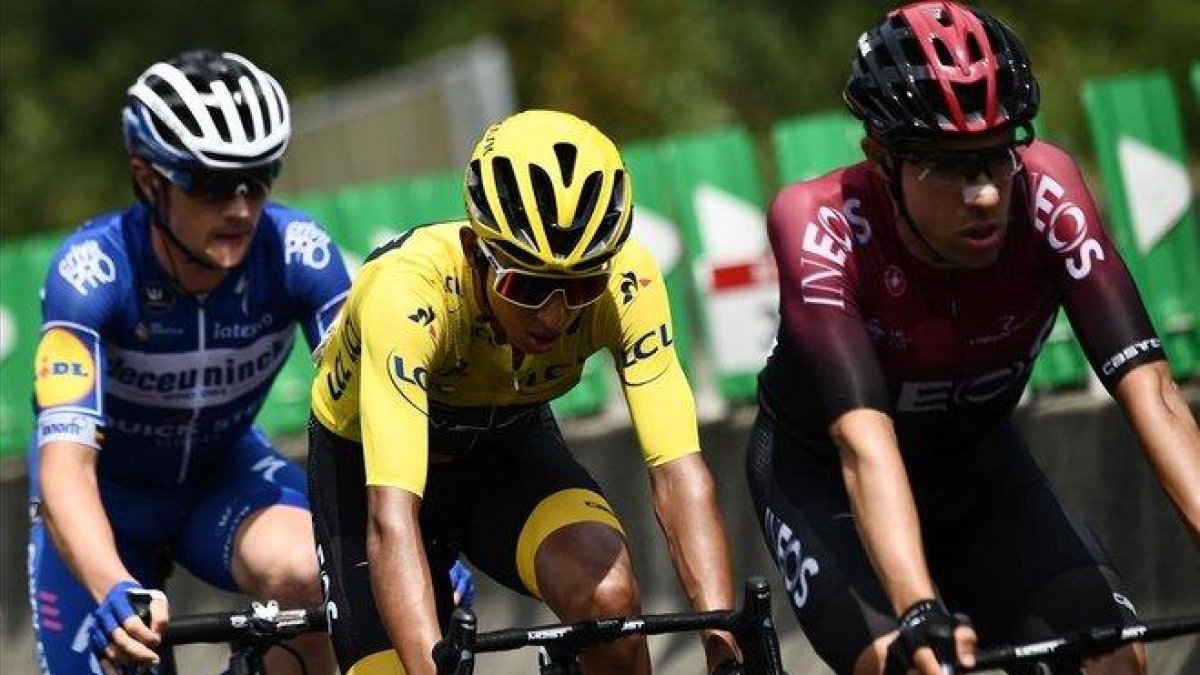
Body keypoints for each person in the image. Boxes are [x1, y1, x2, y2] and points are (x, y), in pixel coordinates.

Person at [746, 3, 1200, 675]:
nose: (984, 194)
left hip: (978, 472)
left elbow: (1152, 392)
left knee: (1112, 660)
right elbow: (863, 443)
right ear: (882, 160)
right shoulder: (820, 224)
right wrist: (918, 609)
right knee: (916, 666)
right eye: (949, 166)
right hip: (829, 483)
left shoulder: (1046, 190)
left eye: (995, 156)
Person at [308, 109, 743, 675]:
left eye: (581, 287)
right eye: (528, 286)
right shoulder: (407, 293)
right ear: (476, 250)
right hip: (367, 471)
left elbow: (680, 475)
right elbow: (392, 518)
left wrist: (723, 647)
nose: (555, 315)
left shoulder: (627, 283)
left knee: (607, 599)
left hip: (505, 450)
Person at [26, 49, 354, 675]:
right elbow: (64, 467)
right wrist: (111, 587)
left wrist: (420, 539)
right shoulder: (91, 273)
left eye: (258, 178)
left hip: (220, 475)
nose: (239, 208)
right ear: (148, 179)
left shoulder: (299, 253)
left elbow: (376, 414)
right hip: (107, 496)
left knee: (319, 573)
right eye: (210, 184)